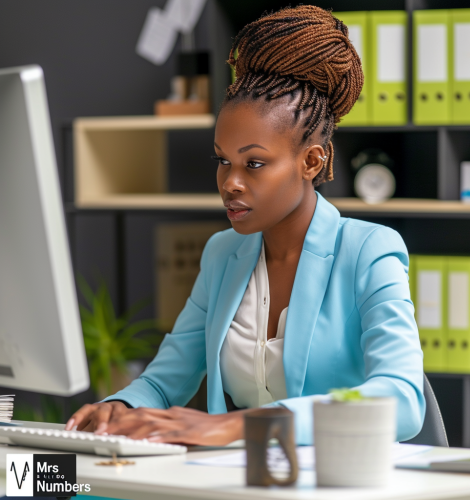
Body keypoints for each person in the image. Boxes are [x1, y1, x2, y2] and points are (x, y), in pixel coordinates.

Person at [66, 5, 425, 446]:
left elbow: (402, 399)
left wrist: (239, 425)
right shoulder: (223, 255)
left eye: (254, 163)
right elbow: (164, 382)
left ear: (311, 161)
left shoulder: (369, 250)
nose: (230, 183)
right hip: (245, 481)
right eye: (223, 161)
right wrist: (120, 407)